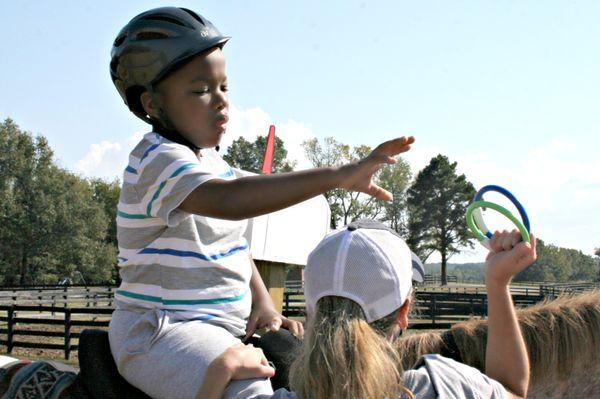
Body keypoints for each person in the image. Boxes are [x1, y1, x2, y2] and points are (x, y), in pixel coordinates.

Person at [107, 7, 415, 399]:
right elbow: (231, 202)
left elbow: (233, 245)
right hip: (162, 331)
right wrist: (339, 175)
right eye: (201, 90)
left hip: (218, 329)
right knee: (247, 387)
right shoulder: (156, 160)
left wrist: (264, 305)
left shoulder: (213, 164)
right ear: (151, 103)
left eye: (224, 87)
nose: (221, 102)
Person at [201, 219, 537, 399]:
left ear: (313, 313)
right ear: (404, 311)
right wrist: (497, 283)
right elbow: (511, 390)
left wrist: (219, 371)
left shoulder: (253, 393)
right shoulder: (444, 386)